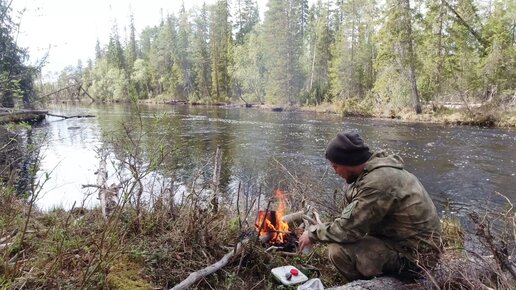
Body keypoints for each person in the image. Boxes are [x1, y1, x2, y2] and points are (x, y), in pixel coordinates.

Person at [299, 131, 442, 282]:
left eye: (335, 166)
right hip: (405, 244)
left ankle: (363, 285)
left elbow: (348, 230)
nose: (335, 172)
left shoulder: (378, 183)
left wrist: (312, 234)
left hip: (416, 259)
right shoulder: (377, 169)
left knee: (338, 250)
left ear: (349, 163)